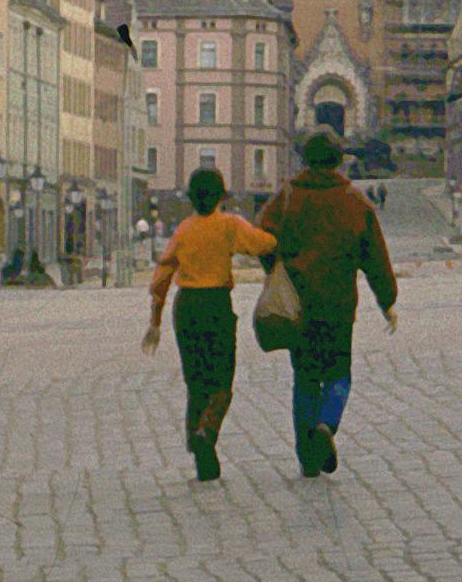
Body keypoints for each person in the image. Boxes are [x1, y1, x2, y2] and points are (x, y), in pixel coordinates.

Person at [259, 133, 399, 479]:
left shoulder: (287, 197)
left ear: (305, 159)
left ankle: (307, 456)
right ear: (339, 160)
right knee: (338, 374)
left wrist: (278, 270)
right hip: (338, 305)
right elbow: (375, 257)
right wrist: (387, 301)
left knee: (304, 378)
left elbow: (263, 238)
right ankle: (327, 424)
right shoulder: (354, 200)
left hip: (299, 306)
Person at [142, 168, 278, 483]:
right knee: (221, 381)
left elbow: (162, 276)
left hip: (186, 306)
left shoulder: (184, 230)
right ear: (222, 196)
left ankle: (195, 437)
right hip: (216, 304)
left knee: (195, 378)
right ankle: (207, 431)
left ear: (191, 197)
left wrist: (155, 321)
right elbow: (263, 243)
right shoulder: (229, 224)